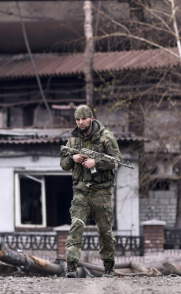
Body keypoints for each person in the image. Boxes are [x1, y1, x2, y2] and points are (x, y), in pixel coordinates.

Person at [60, 105, 122, 278]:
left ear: (91, 118)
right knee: (76, 226)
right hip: (80, 191)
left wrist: (97, 163)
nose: (80, 122)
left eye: (84, 119)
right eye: (78, 119)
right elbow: (63, 164)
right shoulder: (73, 140)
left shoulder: (106, 138)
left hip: (101, 191)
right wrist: (72, 158)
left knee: (104, 230)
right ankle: (71, 266)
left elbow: (117, 161)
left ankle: (109, 267)